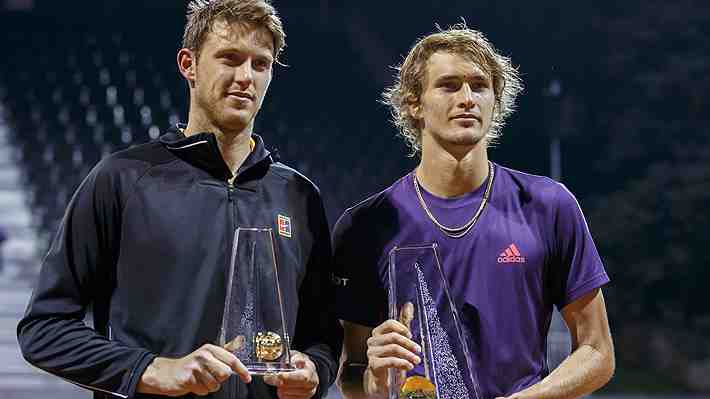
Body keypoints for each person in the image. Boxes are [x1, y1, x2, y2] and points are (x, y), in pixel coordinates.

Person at [17, 1, 341, 398]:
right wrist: (151, 370)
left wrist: (315, 371)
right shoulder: (123, 179)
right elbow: (44, 329)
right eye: (229, 59)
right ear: (188, 64)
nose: (245, 77)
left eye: (261, 64)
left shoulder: (299, 195)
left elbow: (323, 334)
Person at [333, 24, 615, 399]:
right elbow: (350, 374)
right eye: (449, 85)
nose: (467, 98)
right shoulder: (365, 225)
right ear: (414, 103)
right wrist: (376, 379)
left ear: (495, 102)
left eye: (479, 86)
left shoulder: (548, 206)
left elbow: (597, 352)